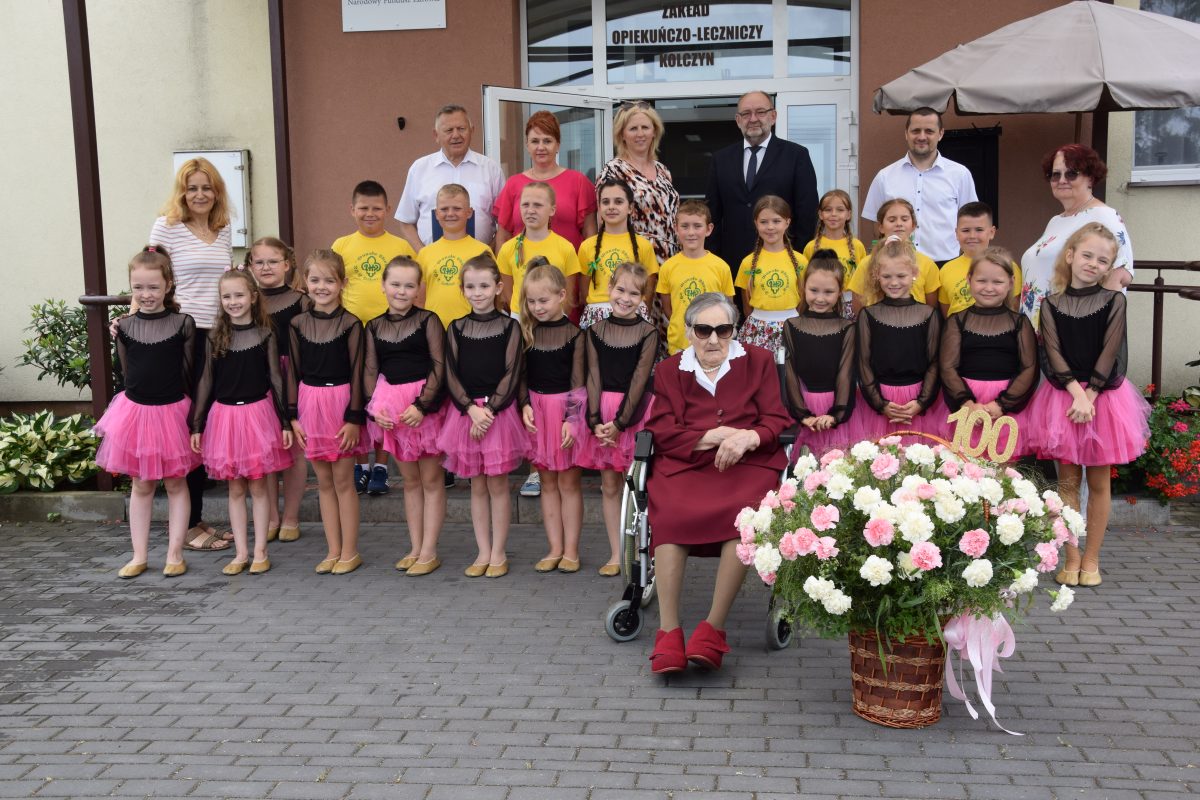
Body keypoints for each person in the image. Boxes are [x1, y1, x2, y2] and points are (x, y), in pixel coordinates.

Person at [643, 293, 792, 674]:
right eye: (703, 330)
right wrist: (714, 435)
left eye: (723, 330)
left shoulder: (757, 362)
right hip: (687, 464)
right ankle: (669, 631)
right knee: (672, 513)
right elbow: (661, 429)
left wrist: (746, 438)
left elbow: (776, 419)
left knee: (744, 514)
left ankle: (712, 629)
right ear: (689, 332)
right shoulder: (669, 370)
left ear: (734, 331)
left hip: (748, 463)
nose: (713, 340)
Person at [1026, 223, 1150, 588]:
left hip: (1105, 399)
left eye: (1103, 260)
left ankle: (1092, 557)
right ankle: (1072, 555)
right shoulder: (1051, 304)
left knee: (1098, 481)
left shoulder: (1115, 301)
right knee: (1066, 481)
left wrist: (1091, 394)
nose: (1093, 263)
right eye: (1087, 255)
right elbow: (1051, 354)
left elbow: (1113, 353)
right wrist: (1075, 393)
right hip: (1063, 399)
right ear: (1070, 256)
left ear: (1110, 266)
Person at [94, 246, 199, 579]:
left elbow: (188, 371)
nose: (146, 294)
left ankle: (175, 553)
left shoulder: (183, 323)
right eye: (138, 287)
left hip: (172, 412)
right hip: (136, 413)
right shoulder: (124, 327)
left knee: (176, 483)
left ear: (168, 285)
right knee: (141, 485)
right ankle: (138, 554)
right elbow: (126, 372)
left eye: (153, 287)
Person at [149, 157, 234, 554]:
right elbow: (151, 278)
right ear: (182, 191)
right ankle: (188, 525)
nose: (199, 194)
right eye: (192, 187)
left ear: (216, 191)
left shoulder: (222, 228)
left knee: (206, 427)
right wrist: (131, 318)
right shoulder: (166, 227)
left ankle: (197, 519)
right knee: (188, 426)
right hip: (182, 337)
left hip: (217, 337)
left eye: (207, 187)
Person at [190, 270, 292, 576]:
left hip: (257, 415)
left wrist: (286, 421)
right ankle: (241, 552)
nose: (233, 301)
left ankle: (261, 550)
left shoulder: (266, 334)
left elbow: (276, 379)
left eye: (238, 295)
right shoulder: (215, 337)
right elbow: (206, 381)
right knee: (235, 489)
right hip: (224, 418)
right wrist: (197, 424)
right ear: (221, 301)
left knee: (258, 486)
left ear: (252, 297)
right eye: (227, 296)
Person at [437, 253, 531, 579]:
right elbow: (449, 372)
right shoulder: (456, 328)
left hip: (498, 414)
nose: (477, 292)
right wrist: (470, 409)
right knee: (476, 485)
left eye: (484, 286)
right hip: (466, 414)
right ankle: (482, 550)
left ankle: (499, 551)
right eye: (471, 286)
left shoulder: (510, 327)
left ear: (497, 287)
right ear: (462, 290)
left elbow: (512, 372)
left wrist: (489, 410)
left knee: (497, 484)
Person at [332, 180, 417, 497]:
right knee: (357, 395)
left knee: (385, 399)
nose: (370, 214)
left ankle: (381, 465)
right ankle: (361, 464)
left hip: (388, 336)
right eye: (363, 208)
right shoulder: (341, 245)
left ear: (388, 209)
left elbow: (411, 290)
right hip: (353, 335)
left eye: (376, 208)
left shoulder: (400, 247)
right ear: (352, 210)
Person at [364, 256, 448, 577]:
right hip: (393, 412)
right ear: (383, 285)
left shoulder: (428, 320)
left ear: (418, 289)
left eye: (409, 285)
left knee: (430, 479)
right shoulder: (373, 326)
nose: (401, 291)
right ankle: (415, 546)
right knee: (410, 482)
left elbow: (440, 366)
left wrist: (421, 405)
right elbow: (371, 370)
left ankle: (430, 550)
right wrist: (376, 409)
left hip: (422, 408)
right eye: (395, 284)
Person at [287, 250, 369, 576]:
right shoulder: (297, 324)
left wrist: (353, 418)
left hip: (341, 404)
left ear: (342, 283)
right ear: (305, 283)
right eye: (315, 280)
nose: (322, 286)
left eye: (329, 280)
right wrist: (292, 416)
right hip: (310, 404)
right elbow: (292, 371)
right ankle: (332, 549)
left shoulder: (351, 324)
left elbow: (359, 371)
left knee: (344, 480)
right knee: (323, 481)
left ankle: (350, 551)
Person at [576, 262, 659, 577]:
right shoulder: (594, 331)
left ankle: (642, 549)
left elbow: (640, 379)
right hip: (602, 414)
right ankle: (616, 553)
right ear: (609, 289)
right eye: (620, 290)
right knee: (609, 485)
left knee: (638, 484)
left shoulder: (648, 332)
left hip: (633, 414)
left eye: (634, 293)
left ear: (642, 298)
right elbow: (592, 375)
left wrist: (620, 423)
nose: (625, 298)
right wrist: (596, 421)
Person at [518, 260, 586, 574]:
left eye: (543, 300)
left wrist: (572, 419)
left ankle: (571, 549)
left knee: (569, 483)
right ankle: (554, 547)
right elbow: (519, 376)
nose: (537, 307)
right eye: (531, 302)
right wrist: (524, 405)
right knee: (547, 482)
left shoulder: (575, 335)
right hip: (537, 412)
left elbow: (579, 381)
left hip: (564, 414)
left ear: (561, 295)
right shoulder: (526, 333)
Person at [1020, 144, 1134, 330]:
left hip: (1071, 330)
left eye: (1071, 173)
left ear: (1090, 178)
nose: (1062, 180)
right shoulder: (1056, 221)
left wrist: (1097, 331)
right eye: (1055, 174)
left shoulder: (1104, 216)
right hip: (1037, 330)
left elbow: (1119, 274)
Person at [705, 90, 819, 277]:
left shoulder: (796, 155)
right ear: (738, 120)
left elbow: (807, 212)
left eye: (760, 112)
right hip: (732, 264)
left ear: (773, 116)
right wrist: (715, 260)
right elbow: (713, 215)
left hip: (783, 262)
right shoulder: (720, 159)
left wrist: (796, 257)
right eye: (746, 114)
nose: (753, 119)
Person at [939, 248, 1039, 458]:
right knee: (964, 471)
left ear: (1011, 282)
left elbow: (1029, 367)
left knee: (1003, 473)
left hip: (1006, 405)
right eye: (982, 281)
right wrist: (967, 404)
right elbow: (947, 366)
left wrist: (1001, 404)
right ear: (969, 279)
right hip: (966, 401)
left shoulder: (1019, 322)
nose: (989, 288)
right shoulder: (957, 320)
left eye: (997, 282)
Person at [246, 237, 310, 544]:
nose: (266, 267)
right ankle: (270, 514)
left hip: (293, 377)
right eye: (259, 262)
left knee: (294, 450)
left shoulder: (302, 300)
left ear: (286, 265)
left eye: (273, 261)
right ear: (250, 267)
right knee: (267, 448)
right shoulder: (247, 299)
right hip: (258, 378)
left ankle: (291, 516)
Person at [855, 237, 948, 443]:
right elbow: (863, 362)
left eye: (901, 275)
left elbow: (934, 362)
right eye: (887, 276)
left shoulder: (928, 314)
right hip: (880, 399)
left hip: (917, 399)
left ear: (914, 274)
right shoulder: (868, 315)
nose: (894, 282)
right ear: (876, 275)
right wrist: (881, 404)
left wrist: (921, 402)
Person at [861, 107, 978, 264]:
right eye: (916, 131)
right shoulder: (884, 176)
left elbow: (970, 222)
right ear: (906, 133)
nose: (922, 136)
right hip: (898, 267)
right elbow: (877, 226)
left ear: (941, 133)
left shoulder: (960, 174)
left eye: (929, 131)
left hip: (945, 265)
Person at [395, 104, 505, 252]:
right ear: (436, 135)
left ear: (472, 131)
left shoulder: (491, 169)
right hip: (432, 266)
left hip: (479, 266)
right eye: (448, 130)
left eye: (461, 129)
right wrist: (424, 255)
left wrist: (487, 254)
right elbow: (406, 221)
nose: (456, 135)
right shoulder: (419, 168)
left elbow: (504, 222)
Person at [782, 251, 857, 455]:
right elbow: (789, 372)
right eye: (814, 290)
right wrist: (802, 414)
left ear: (840, 292)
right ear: (803, 288)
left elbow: (846, 373)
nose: (820, 298)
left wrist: (836, 414)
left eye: (828, 292)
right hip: (804, 407)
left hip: (836, 406)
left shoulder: (847, 328)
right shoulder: (791, 325)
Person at [492, 110, 597, 251]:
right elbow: (503, 236)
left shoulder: (578, 182)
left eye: (547, 141)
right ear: (527, 145)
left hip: (567, 270)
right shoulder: (513, 184)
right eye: (535, 141)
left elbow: (590, 235)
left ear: (558, 145)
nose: (541, 147)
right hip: (523, 270)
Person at [596, 102, 680, 264]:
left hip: (670, 261)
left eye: (645, 127)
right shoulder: (613, 171)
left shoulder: (663, 170)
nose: (640, 134)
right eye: (633, 129)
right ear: (622, 135)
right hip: (634, 263)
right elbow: (603, 222)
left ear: (654, 131)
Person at [577, 179, 660, 328]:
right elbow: (584, 290)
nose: (611, 207)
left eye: (618, 201)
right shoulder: (587, 246)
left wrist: (635, 308)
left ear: (630, 208)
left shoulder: (643, 246)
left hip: (633, 312)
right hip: (597, 315)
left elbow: (648, 288)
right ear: (599, 207)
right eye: (606, 202)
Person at [657, 200, 734, 356]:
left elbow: (728, 308)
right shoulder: (668, 267)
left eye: (697, 226)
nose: (691, 232)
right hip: (680, 342)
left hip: (713, 342)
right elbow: (668, 308)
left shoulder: (721, 267)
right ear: (676, 228)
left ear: (709, 229)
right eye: (685, 226)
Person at [496, 182, 582, 316]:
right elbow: (508, 294)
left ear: (552, 210)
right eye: (525, 205)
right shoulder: (507, 249)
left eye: (538, 205)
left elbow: (568, 295)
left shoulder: (565, 248)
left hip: (555, 320)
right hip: (521, 320)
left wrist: (556, 319)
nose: (530, 210)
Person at [734, 195, 806, 352]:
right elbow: (746, 304)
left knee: (789, 373)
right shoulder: (748, 262)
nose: (770, 227)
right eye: (764, 222)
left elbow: (804, 298)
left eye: (776, 221)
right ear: (756, 224)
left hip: (791, 326)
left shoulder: (801, 261)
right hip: (757, 328)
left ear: (787, 222)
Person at [416, 184, 494, 329]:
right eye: (444, 209)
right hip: (435, 330)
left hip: (473, 330)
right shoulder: (425, 253)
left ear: (469, 212)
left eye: (457, 208)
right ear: (436, 213)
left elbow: (492, 297)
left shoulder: (483, 251)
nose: (450, 213)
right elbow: (419, 300)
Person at [847, 199, 940, 313]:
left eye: (904, 219)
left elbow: (931, 307)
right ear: (881, 226)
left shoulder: (927, 264)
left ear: (913, 225)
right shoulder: (866, 263)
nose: (899, 224)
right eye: (892, 220)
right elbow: (858, 307)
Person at [939, 202, 1022, 318]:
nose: (972, 236)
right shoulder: (946, 270)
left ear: (991, 232)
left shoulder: (1008, 266)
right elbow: (947, 312)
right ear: (957, 233)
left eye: (979, 230)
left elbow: (1014, 307)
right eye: (966, 230)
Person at [801, 189, 867, 320]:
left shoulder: (857, 246)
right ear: (820, 214)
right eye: (828, 210)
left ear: (848, 214)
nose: (833, 214)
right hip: (821, 305)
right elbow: (805, 281)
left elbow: (862, 282)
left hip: (850, 306)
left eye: (840, 210)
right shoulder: (811, 247)